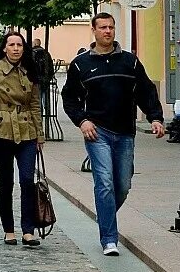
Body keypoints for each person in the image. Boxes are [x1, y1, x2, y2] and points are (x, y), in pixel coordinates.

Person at [60, 13, 166, 256]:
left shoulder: (129, 62)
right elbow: (70, 98)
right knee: (105, 183)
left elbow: (145, 91)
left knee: (123, 185)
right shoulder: (81, 64)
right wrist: (82, 120)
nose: (108, 31)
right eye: (103, 27)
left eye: (111, 27)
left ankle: (105, 216)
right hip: (98, 132)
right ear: (94, 30)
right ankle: (109, 238)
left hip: (125, 132)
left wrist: (156, 117)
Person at [0, 31, 45, 247]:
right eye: (11, 45)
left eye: (19, 45)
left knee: (27, 181)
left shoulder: (29, 71)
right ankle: (9, 230)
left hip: (27, 132)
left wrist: (40, 135)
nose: (16, 48)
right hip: (2, 133)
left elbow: (34, 104)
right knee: (6, 183)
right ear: (4, 48)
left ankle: (28, 230)